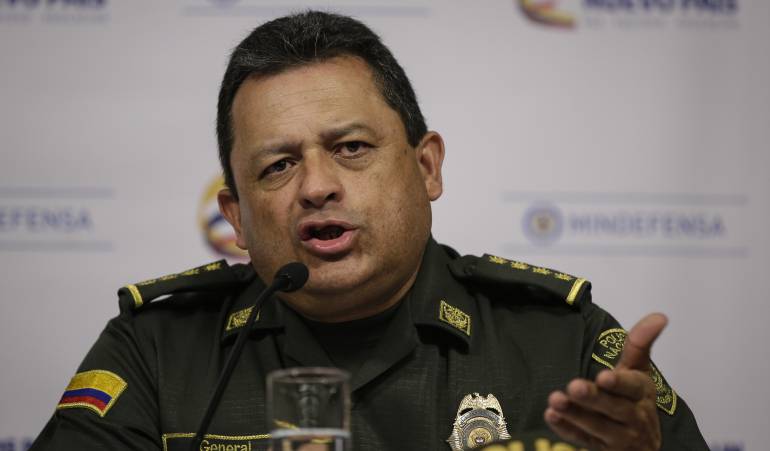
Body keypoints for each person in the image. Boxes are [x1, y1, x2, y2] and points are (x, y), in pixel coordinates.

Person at [30, 10, 708, 451]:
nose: (316, 186)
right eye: (278, 165)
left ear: (426, 167)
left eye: (351, 147)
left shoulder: (562, 341)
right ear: (235, 217)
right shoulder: (156, 350)